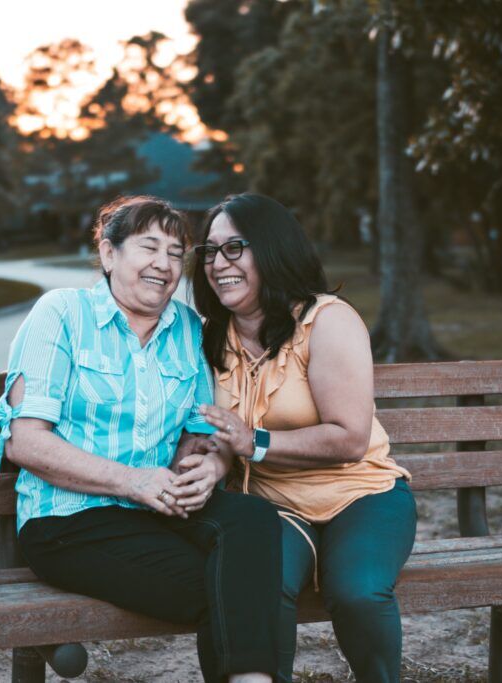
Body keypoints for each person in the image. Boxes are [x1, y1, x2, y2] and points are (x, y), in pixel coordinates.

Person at [0, 196, 281, 683]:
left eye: (175, 252)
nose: (164, 265)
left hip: (156, 511)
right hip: (67, 523)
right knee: (230, 587)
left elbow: (199, 431)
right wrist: (131, 481)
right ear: (108, 254)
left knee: (252, 519)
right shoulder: (61, 314)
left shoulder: (187, 328)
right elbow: (25, 442)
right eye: (149, 247)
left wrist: (207, 465)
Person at [191, 193, 417, 683]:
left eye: (235, 248)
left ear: (271, 249)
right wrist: (210, 457)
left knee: (357, 591)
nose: (217, 263)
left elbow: (350, 438)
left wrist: (256, 442)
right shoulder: (210, 336)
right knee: (253, 590)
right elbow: (213, 432)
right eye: (209, 251)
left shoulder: (326, 320)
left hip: (361, 496)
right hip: (272, 506)